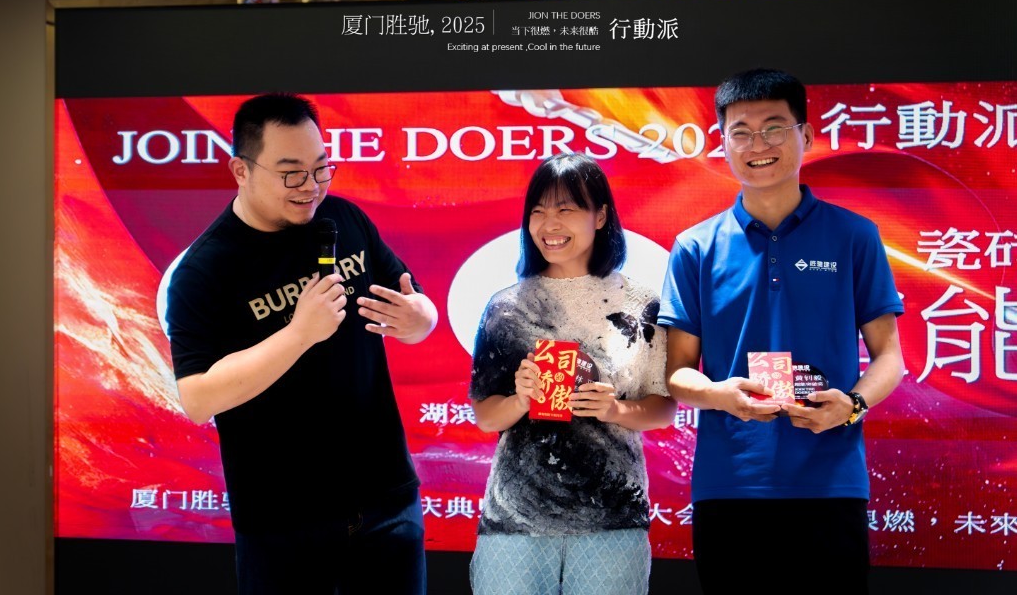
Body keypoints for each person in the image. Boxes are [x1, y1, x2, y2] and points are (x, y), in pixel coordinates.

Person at [165, 92, 438, 595]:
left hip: (386, 500)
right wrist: (297, 335)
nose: (311, 186)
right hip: (283, 522)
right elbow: (198, 397)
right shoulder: (205, 270)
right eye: (291, 173)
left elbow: (415, 308)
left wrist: (421, 317)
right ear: (241, 171)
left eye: (320, 168)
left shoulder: (345, 220)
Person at [658, 68, 905, 593]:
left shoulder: (854, 236)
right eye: (741, 132)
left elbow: (890, 357)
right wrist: (720, 395)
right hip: (730, 484)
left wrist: (852, 406)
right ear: (722, 143)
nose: (758, 145)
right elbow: (676, 373)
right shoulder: (695, 247)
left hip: (830, 482)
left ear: (806, 135)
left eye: (774, 128)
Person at [468, 152, 676, 595]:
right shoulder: (507, 308)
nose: (549, 224)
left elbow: (662, 409)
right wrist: (520, 400)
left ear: (600, 216)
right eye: (538, 211)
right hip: (516, 518)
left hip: (612, 517)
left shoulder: (641, 304)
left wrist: (615, 410)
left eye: (565, 209)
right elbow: (486, 416)